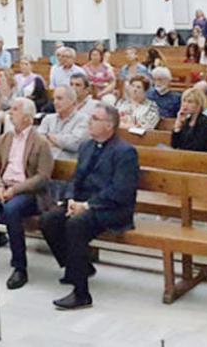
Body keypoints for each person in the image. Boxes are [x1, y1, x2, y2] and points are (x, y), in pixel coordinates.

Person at [40, 104, 138, 309]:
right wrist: (70, 201)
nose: (89, 121)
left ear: (109, 125)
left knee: (76, 225)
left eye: (94, 118)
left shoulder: (125, 152)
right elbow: (76, 179)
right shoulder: (87, 146)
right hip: (84, 204)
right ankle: (80, 266)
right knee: (49, 219)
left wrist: (87, 205)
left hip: (112, 209)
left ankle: (81, 293)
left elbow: (120, 191)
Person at [0, 99, 54, 289]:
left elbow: (43, 177)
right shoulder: (5, 138)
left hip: (27, 191)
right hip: (4, 187)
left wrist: (14, 190)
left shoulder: (40, 143)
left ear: (27, 117)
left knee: (12, 210)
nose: (10, 113)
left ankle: (20, 267)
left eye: (15, 110)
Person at [38, 87, 89, 160]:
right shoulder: (48, 118)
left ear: (72, 101)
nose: (55, 102)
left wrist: (50, 137)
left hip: (69, 165)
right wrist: (63, 142)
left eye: (59, 98)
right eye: (54, 99)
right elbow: (38, 140)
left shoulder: (83, 119)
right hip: (47, 162)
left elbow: (75, 144)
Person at [171, 88, 207, 152]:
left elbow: (197, 146)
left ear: (198, 104)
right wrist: (178, 126)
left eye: (190, 102)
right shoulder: (186, 121)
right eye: (184, 101)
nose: (185, 105)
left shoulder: (206, 122)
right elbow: (174, 145)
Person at [0, 69, 22, 139]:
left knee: (8, 117)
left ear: (7, 77)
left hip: (13, 111)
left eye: (1, 76)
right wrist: (0, 96)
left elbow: (16, 106)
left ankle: (8, 141)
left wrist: (7, 112)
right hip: (1, 111)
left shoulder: (16, 89)